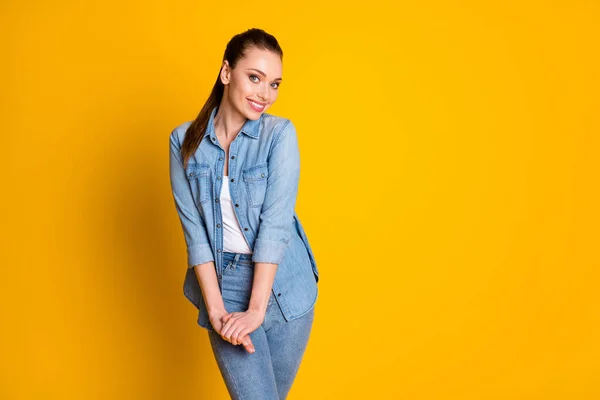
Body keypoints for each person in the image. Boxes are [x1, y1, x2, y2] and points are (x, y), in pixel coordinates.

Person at [168, 28, 320, 400]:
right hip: (226, 285)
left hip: (287, 285)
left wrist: (256, 310)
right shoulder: (183, 141)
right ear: (226, 73)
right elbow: (196, 234)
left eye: (274, 84)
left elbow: (276, 224)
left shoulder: (279, 135)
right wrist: (218, 310)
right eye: (255, 78)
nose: (264, 94)